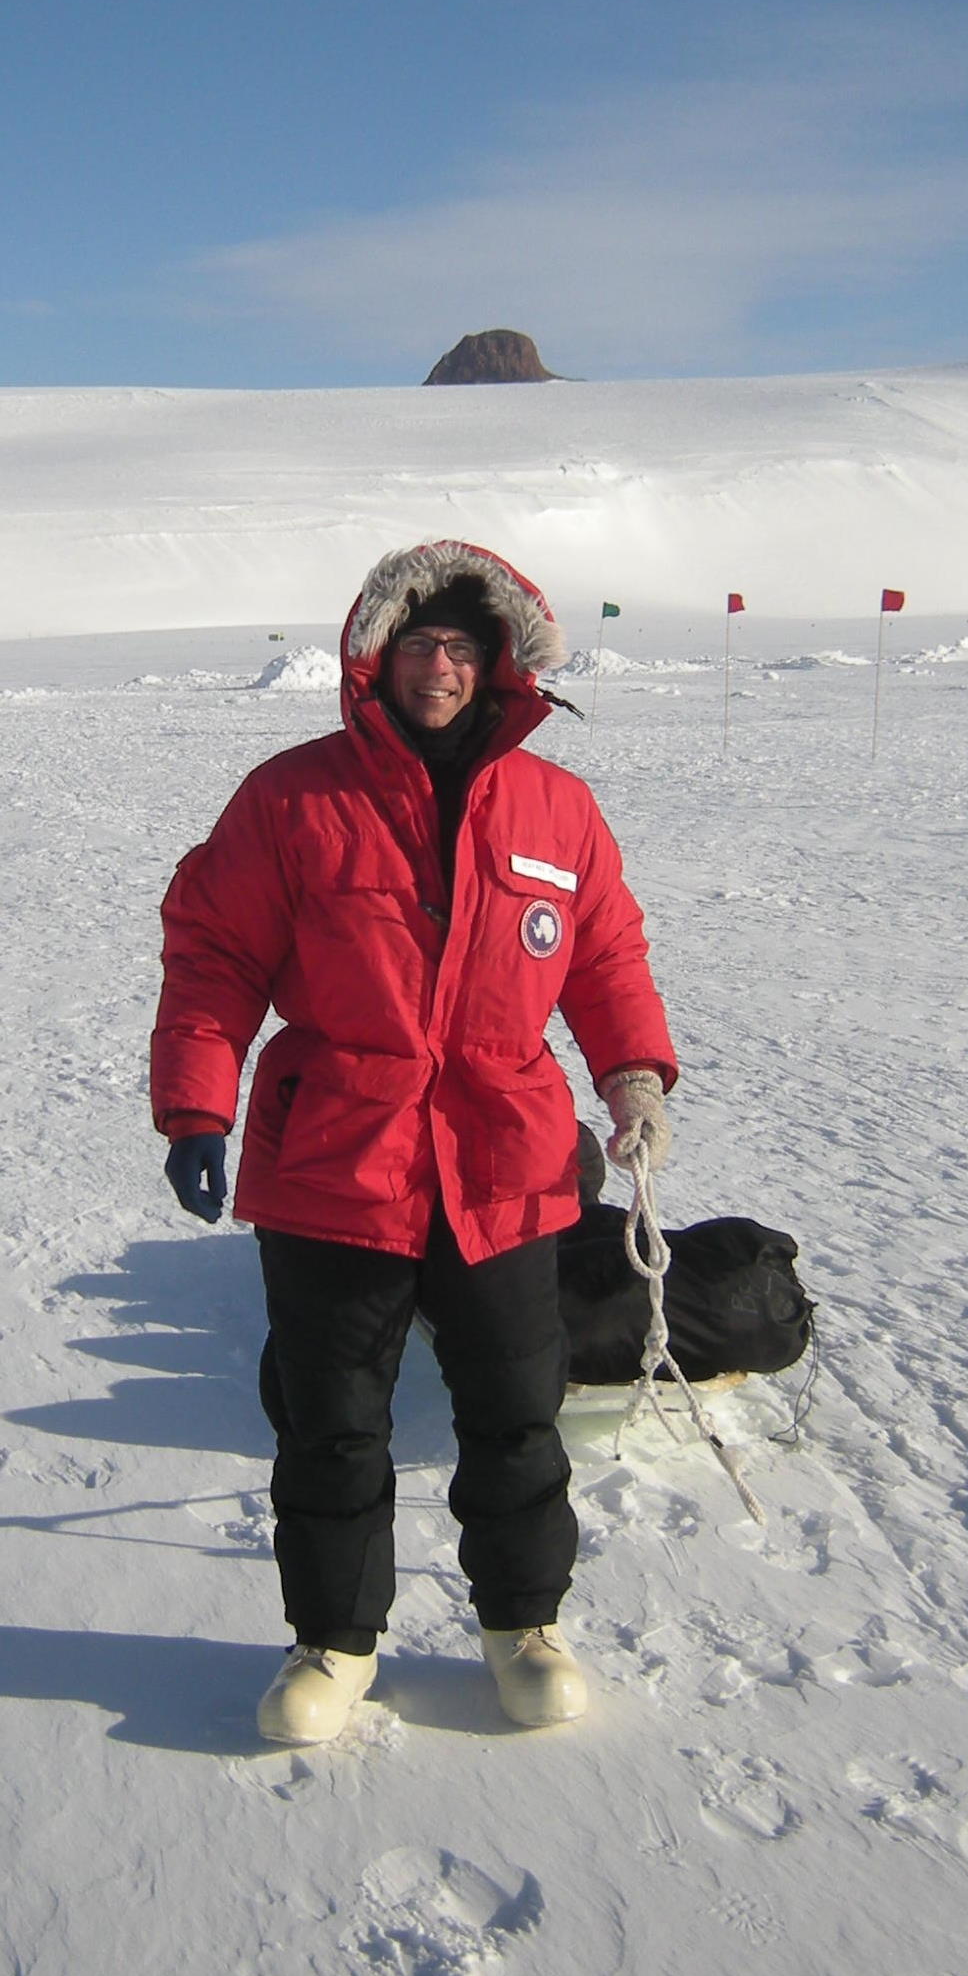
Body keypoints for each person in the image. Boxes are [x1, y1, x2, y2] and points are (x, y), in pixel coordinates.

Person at [151, 539, 677, 1744]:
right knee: (332, 1418)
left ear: (495, 664)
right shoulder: (290, 798)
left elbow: (602, 953)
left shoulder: (558, 806)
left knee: (514, 1406)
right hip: (337, 1157)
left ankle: (522, 1627)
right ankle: (333, 1641)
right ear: (372, 655)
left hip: (505, 1157)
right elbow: (213, 953)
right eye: (415, 644)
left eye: (459, 646)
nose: (435, 666)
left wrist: (633, 1074)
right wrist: (195, 1103)